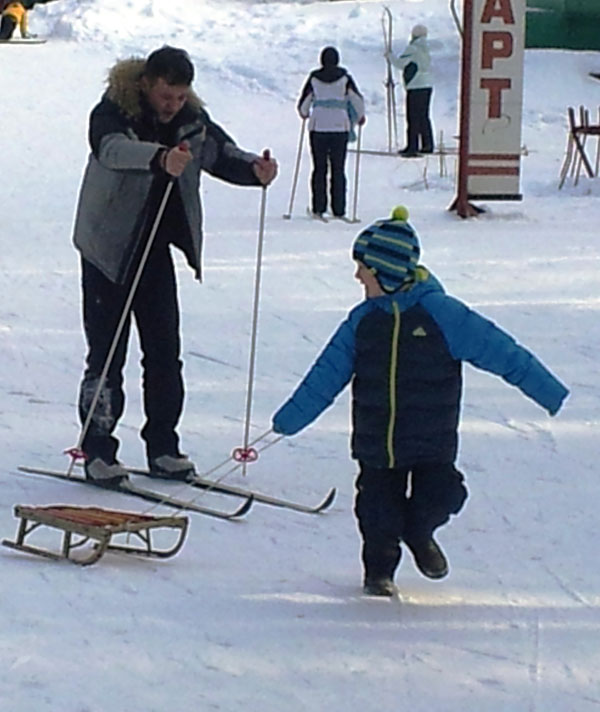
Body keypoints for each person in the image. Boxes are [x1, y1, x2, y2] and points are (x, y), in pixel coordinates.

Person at [271, 206, 568, 596]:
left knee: (445, 494)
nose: (358, 276)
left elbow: (502, 351)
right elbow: (323, 378)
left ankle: (418, 531)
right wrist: (286, 423)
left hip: (431, 442)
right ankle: (379, 573)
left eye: (364, 269)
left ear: (387, 274)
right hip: (379, 443)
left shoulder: (442, 314)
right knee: (377, 512)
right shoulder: (362, 322)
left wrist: (547, 390)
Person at [72, 46, 278, 488]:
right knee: (107, 355)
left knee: (165, 352)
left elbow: (221, 153)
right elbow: (112, 150)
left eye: (181, 97)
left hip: (154, 253)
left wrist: (255, 169)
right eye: (167, 96)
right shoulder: (113, 111)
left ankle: (163, 446)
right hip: (107, 251)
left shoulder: (191, 122)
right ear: (147, 84)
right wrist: (159, 158)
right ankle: (98, 450)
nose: (173, 106)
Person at [297, 46, 365, 220]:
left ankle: (318, 207)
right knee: (338, 168)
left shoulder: (314, 78)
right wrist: (360, 117)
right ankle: (339, 209)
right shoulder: (345, 78)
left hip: (318, 126)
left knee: (319, 168)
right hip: (339, 126)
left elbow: (304, 104)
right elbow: (357, 100)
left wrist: (305, 113)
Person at [386, 24, 434, 157]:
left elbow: (400, 64)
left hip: (415, 85)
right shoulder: (427, 48)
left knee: (413, 117)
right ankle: (427, 144)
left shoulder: (413, 48)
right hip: (428, 85)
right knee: (424, 116)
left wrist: (390, 56)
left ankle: (412, 146)